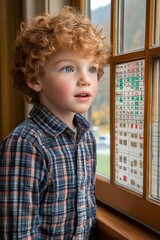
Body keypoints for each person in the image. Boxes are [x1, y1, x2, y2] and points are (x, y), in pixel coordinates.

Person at [0, 6, 110, 239]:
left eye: (92, 69)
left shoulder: (85, 135)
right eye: (68, 68)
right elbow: (19, 233)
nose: (85, 80)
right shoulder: (25, 145)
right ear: (34, 78)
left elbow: (86, 210)